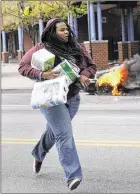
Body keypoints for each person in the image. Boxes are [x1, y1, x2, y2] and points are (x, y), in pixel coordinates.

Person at [18, 18, 97, 191]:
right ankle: (73, 175)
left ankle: (38, 153)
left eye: (67, 29)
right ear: (52, 32)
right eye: (61, 30)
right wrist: (41, 74)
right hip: (50, 98)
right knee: (64, 134)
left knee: (54, 133)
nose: (66, 32)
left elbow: (91, 66)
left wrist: (84, 74)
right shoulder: (41, 48)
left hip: (72, 97)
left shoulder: (77, 47)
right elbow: (22, 66)